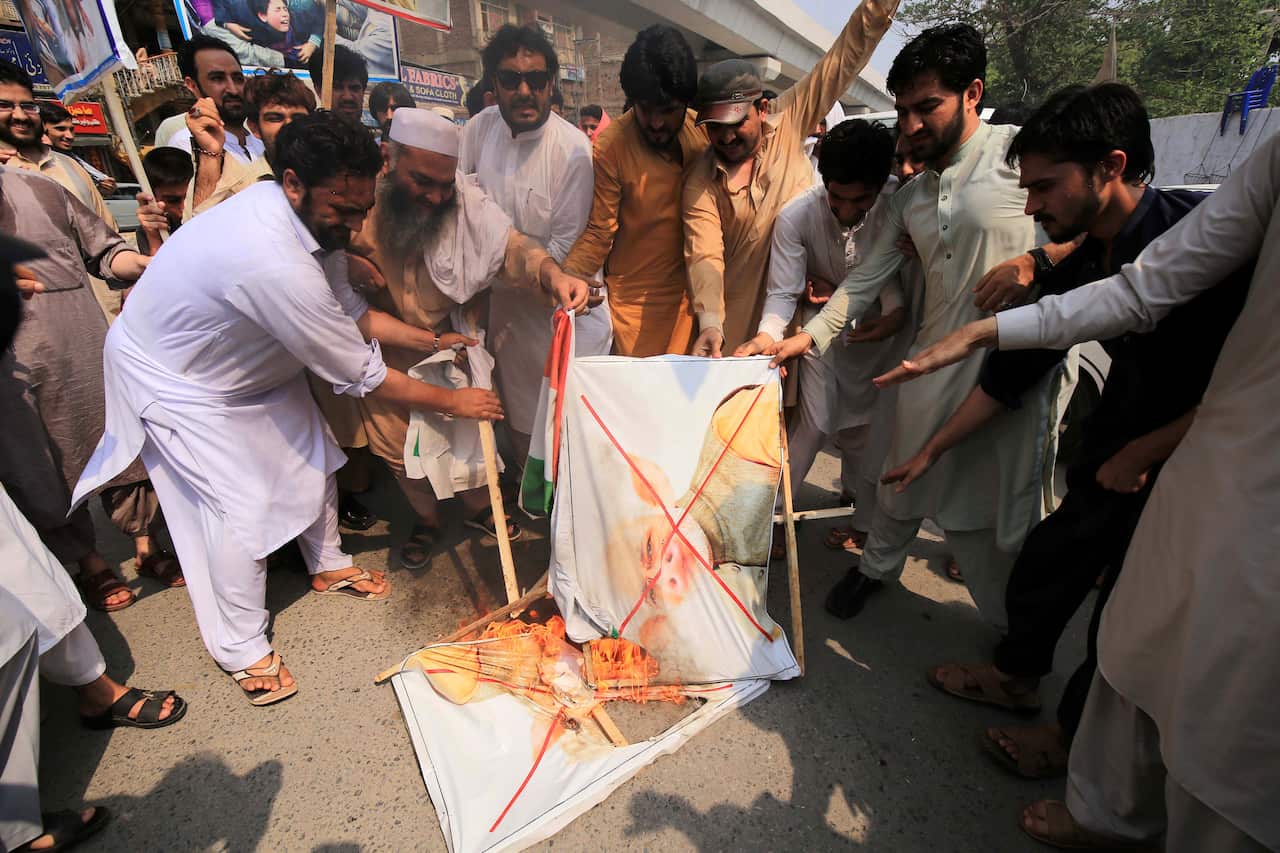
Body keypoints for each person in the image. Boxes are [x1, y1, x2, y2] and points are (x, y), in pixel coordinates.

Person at [877, 126, 1278, 853]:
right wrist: (936, 433)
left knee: (1180, 672)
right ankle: (1031, 697)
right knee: (1074, 585)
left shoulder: (1193, 230)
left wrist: (1156, 447)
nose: (1030, 206)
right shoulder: (1090, 257)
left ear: (1110, 167)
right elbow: (1066, 335)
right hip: (1128, 456)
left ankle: (1080, 756)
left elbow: (1237, 372)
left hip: (1196, 462)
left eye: (1042, 187)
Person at [72, 114, 554, 704]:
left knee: (312, 458)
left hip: (249, 369)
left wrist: (431, 342)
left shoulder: (311, 223)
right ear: (294, 183)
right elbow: (362, 372)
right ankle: (242, 646)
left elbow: (354, 315)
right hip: (184, 384)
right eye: (344, 214)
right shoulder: (273, 261)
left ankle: (327, 561)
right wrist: (455, 402)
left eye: (360, 211)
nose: (355, 227)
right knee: (238, 511)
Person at [766, 24, 1077, 629]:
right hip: (934, 360)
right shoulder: (910, 199)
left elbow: (1099, 220)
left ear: (972, 93)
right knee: (901, 473)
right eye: (903, 109)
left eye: (926, 106)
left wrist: (1037, 260)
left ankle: (1020, 635)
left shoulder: (1022, 154)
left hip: (1019, 362)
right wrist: (804, 338)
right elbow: (861, 285)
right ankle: (876, 569)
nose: (910, 124)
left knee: (1006, 508)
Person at [350, 108, 588, 567]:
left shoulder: (467, 206)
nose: (437, 196)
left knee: (473, 439)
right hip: (386, 353)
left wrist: (553, 275)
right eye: (423, 181)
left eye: (445, 183)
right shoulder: (361, 212)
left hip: (456, 344)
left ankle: (480, 510)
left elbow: (513, 248)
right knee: (402, 452)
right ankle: (428, 521)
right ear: (390, 159)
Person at [0, 165, 177, 613]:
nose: (18, 113)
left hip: (82, 343)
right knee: (38, 466)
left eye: (25, 103)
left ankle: (146, 546)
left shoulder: (42, 188)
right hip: (13, 367)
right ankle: (89, 562)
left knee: (121, 443)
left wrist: (147, 264)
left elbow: (106, 253)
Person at [682, 0, 896, 358]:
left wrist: (879, 8)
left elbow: (840, 62)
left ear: (763, 109)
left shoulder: (790, 120)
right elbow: (703, 256)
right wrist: (709, 323)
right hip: (739, 319)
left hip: (813, 310)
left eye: (736, 123)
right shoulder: (700, 181)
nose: (726, 137)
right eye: (715, 127)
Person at [733, 119, 910, 552]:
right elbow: (783, 293)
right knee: (814, 426)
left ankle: (864, 521)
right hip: (818, 341)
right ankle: (773, 518)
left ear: (880, 184)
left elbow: (894, 285)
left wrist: (888, 320)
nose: (847, 212)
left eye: (861, 200)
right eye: (837, 199)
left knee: (871, 434)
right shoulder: (797, 217)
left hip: (884, 342)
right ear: (824, 181)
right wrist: (764, 337)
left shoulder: (900, 203)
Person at [460, 24, 612, 462]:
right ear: (494, 85)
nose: (524, 90)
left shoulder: (573, 150)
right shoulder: (477, 131)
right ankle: (545, 516)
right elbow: (462, 210)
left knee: (570, 433)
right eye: (510, 80)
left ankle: (572, 518)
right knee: (523, 429)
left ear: (552, 85)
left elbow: (565, 250)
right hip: (506, 316)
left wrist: (493, 265)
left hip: (561, 315)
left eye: (536, 80)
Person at [559, 24, 707, 357]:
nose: (656, 123)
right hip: (634, 311)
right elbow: (599, 230)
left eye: (667, 111)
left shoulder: (703, 138)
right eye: (645, 109)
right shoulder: (612, 147)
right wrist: (569, 275)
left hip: (694, 301)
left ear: (685, 102)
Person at [0, 61, 116, 225]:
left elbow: (108, 237)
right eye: (4, 105)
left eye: (27, 106)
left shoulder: (71, 165)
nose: (20, 116)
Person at [167, 34, 265, 164]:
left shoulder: (262, 143)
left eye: (237, 78)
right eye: (217, 78)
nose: (233, 90)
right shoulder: (187, 144)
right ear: (192, 85)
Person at [39, 102, 117, 194]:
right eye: (60, 129)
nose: (70, 136)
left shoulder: (70, 159)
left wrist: (99, 188)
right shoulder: (37, 163)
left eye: (71, 130)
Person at [134, 147, 194, 256]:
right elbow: (161, 270)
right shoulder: (150, 231)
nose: (184, 207)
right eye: (173, 201)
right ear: (151, 198)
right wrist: (154, 238)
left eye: (191, 197)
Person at [308, 43, 368, 127]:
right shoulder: (305, 137)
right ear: (319, 90)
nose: (348, 97)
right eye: (338, 88)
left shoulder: (368, 139)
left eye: (354, 88)